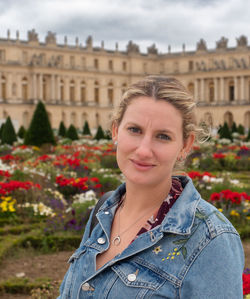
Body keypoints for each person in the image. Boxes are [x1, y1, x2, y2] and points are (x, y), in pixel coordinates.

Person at [58, 76, 244, 299]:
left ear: (185, 145)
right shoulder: (103, 212)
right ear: (116, 131)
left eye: (163, 136)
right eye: (134, 130)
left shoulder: (211, 240)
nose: (144, 150)